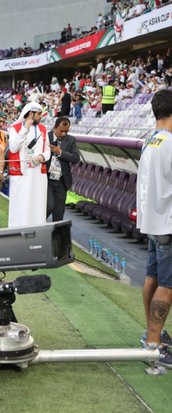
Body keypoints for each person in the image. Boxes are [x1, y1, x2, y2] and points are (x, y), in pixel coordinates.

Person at [136, 89, 172, 367]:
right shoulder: (170, 143)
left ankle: (151, 333)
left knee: (152, 276)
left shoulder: (151, 140)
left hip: (152, 220)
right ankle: (154, 344)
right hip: (168, 224)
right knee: (168, 286)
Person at [7, 102, 50, 228]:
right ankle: (17, 229)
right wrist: (25, 128)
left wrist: (42, 157)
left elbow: (47, 150)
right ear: (31, 113)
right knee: (21, 203)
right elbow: (13, 148)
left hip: (38, 172)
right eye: (38, 114)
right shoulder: (14, 128)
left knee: (38, 203)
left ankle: (38, 230)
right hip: (22, 173)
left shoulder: (43, 129)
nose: (40, 116)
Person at [46, 117, 80, 222]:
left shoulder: (71, 140)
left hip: (62, 181)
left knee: (59, 213)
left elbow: (75, 158)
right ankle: (38, 226)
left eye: (66, 131)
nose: (64, 134)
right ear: (55, 127)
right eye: (62, 131)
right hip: (46, 180)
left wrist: (60, 152)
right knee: (49, 206)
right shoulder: (45, 137)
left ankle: (56, 236)